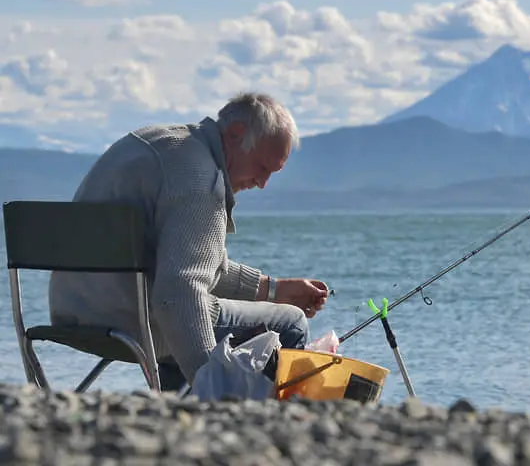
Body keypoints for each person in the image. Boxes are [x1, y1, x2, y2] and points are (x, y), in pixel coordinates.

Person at [48, 92, 329, 392]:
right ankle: (267, 429)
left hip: (74, 312)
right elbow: (178, 292)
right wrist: (211, 385)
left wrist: (274, 289)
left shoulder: (156, 142)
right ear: (235, 134)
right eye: (262, 168)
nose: (262, 183)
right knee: (291, 323)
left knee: (190, 316)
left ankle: (178, 413)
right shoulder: (202, 180)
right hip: (132, 321)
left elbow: (189, 261)